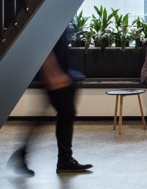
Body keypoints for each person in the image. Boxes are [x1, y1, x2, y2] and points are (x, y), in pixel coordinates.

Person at [7, 27, 93, 175]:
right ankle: (63, 159)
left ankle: (27, 155)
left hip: (60, 73)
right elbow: (43, 46)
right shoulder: (53, 18)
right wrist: (53, 74)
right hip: (55, 75)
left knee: (54, 116)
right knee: (65, 114)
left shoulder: (61, 17)